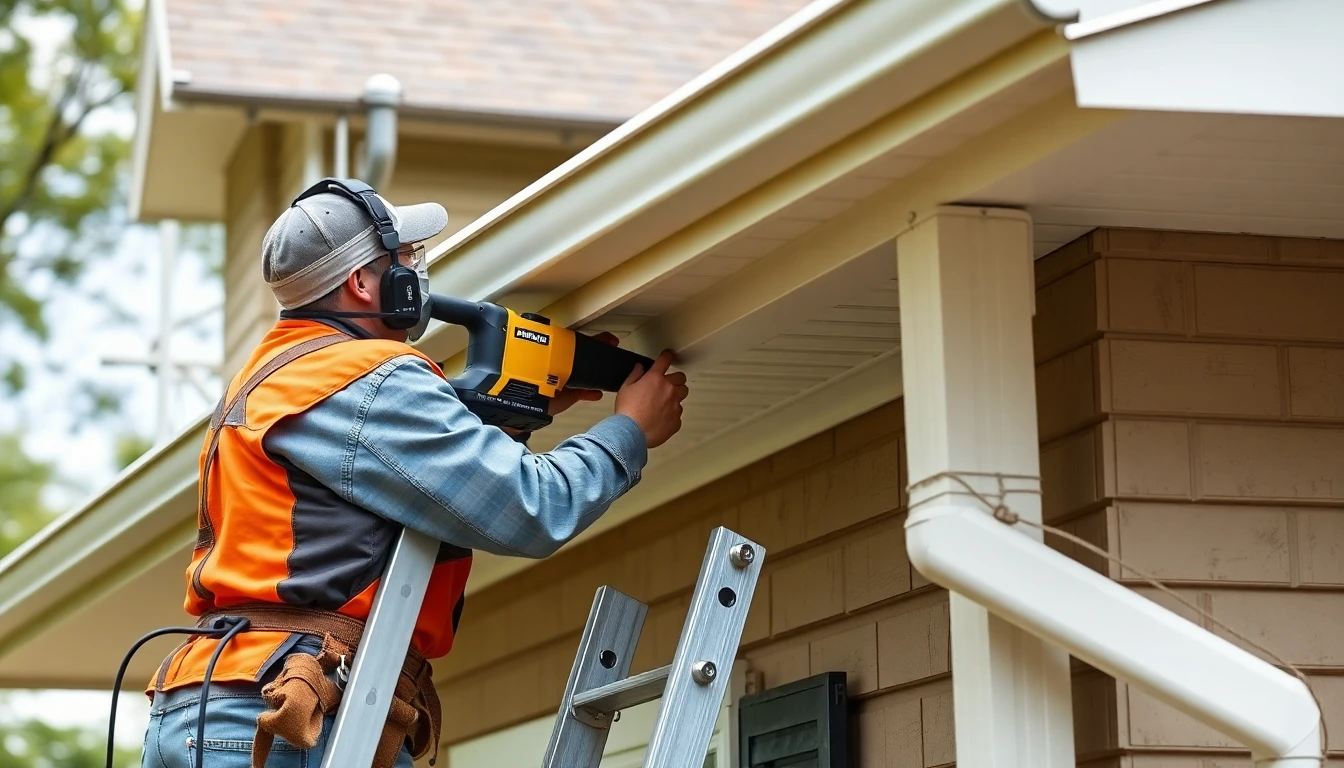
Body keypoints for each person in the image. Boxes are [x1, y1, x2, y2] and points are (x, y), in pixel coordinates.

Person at [140, 178, 688, 768]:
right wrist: (631, 431)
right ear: (362, 282)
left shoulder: (270, 376)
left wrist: (511, 419)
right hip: (288, 715)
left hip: (205, 704)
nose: (417, 272)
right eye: (406, 257)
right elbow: (532, 507)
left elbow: (398, 493)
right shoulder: (371, 375)